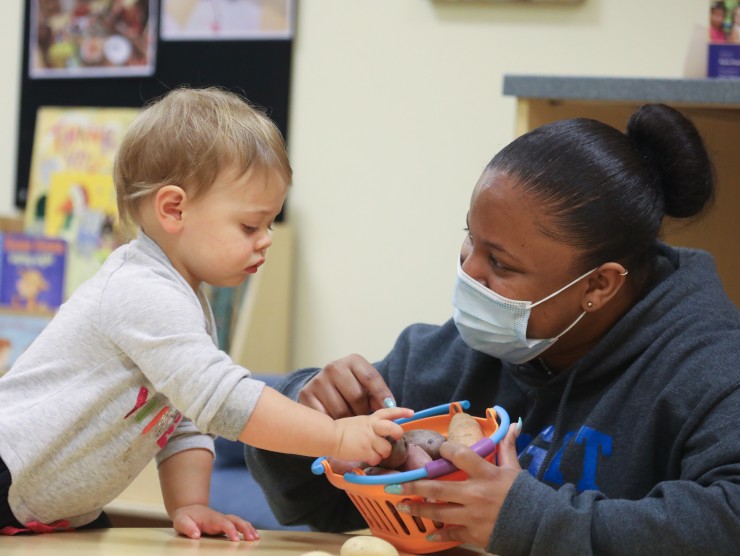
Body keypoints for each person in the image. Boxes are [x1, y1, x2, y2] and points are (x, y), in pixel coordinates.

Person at [245, 103, 740, 555]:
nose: (468, 272)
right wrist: (307, 415)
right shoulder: (451, 354)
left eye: (500, 263)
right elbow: (318, 506)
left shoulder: (710, 364)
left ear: (600, 284)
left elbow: (727, 520)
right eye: (470, 238)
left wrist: (532, 521)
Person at [0, 87, 412, 540]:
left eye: (270, 224)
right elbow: (222, 401)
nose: (266, 239)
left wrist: (191, 505)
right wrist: (333, 439)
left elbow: (184, 419)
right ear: (174, 209)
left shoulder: (186, 301)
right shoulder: (142, 290)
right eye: (249, 225)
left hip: (54, 510)